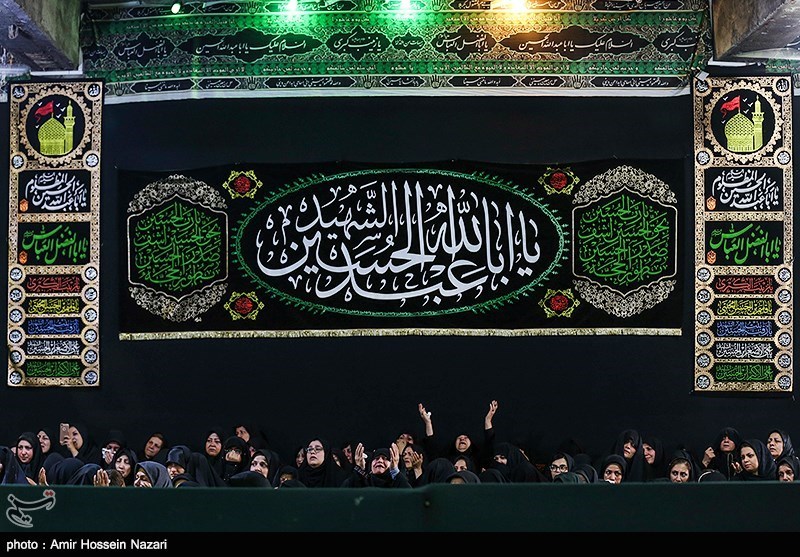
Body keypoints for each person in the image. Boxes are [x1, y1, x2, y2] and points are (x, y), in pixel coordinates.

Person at [342, 444, 411, 488]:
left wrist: (394, 471)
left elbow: (409, 496)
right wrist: (359, 469)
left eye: (385, 458)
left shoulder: (396, 483)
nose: (380, 461)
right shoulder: (364, 482)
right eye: (376, 458)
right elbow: (344, 492)